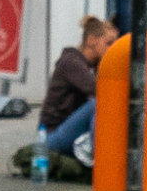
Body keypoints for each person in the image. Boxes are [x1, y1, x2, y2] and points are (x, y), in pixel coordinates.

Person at [40, 15, 113, 167]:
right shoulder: (72, 63)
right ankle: (97, 158)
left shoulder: (89, 67)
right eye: (109, 43)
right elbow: (101, 91)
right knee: (98, 103)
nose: (111, 49)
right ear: (91, 40)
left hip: (66, 132)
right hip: (51, 136)